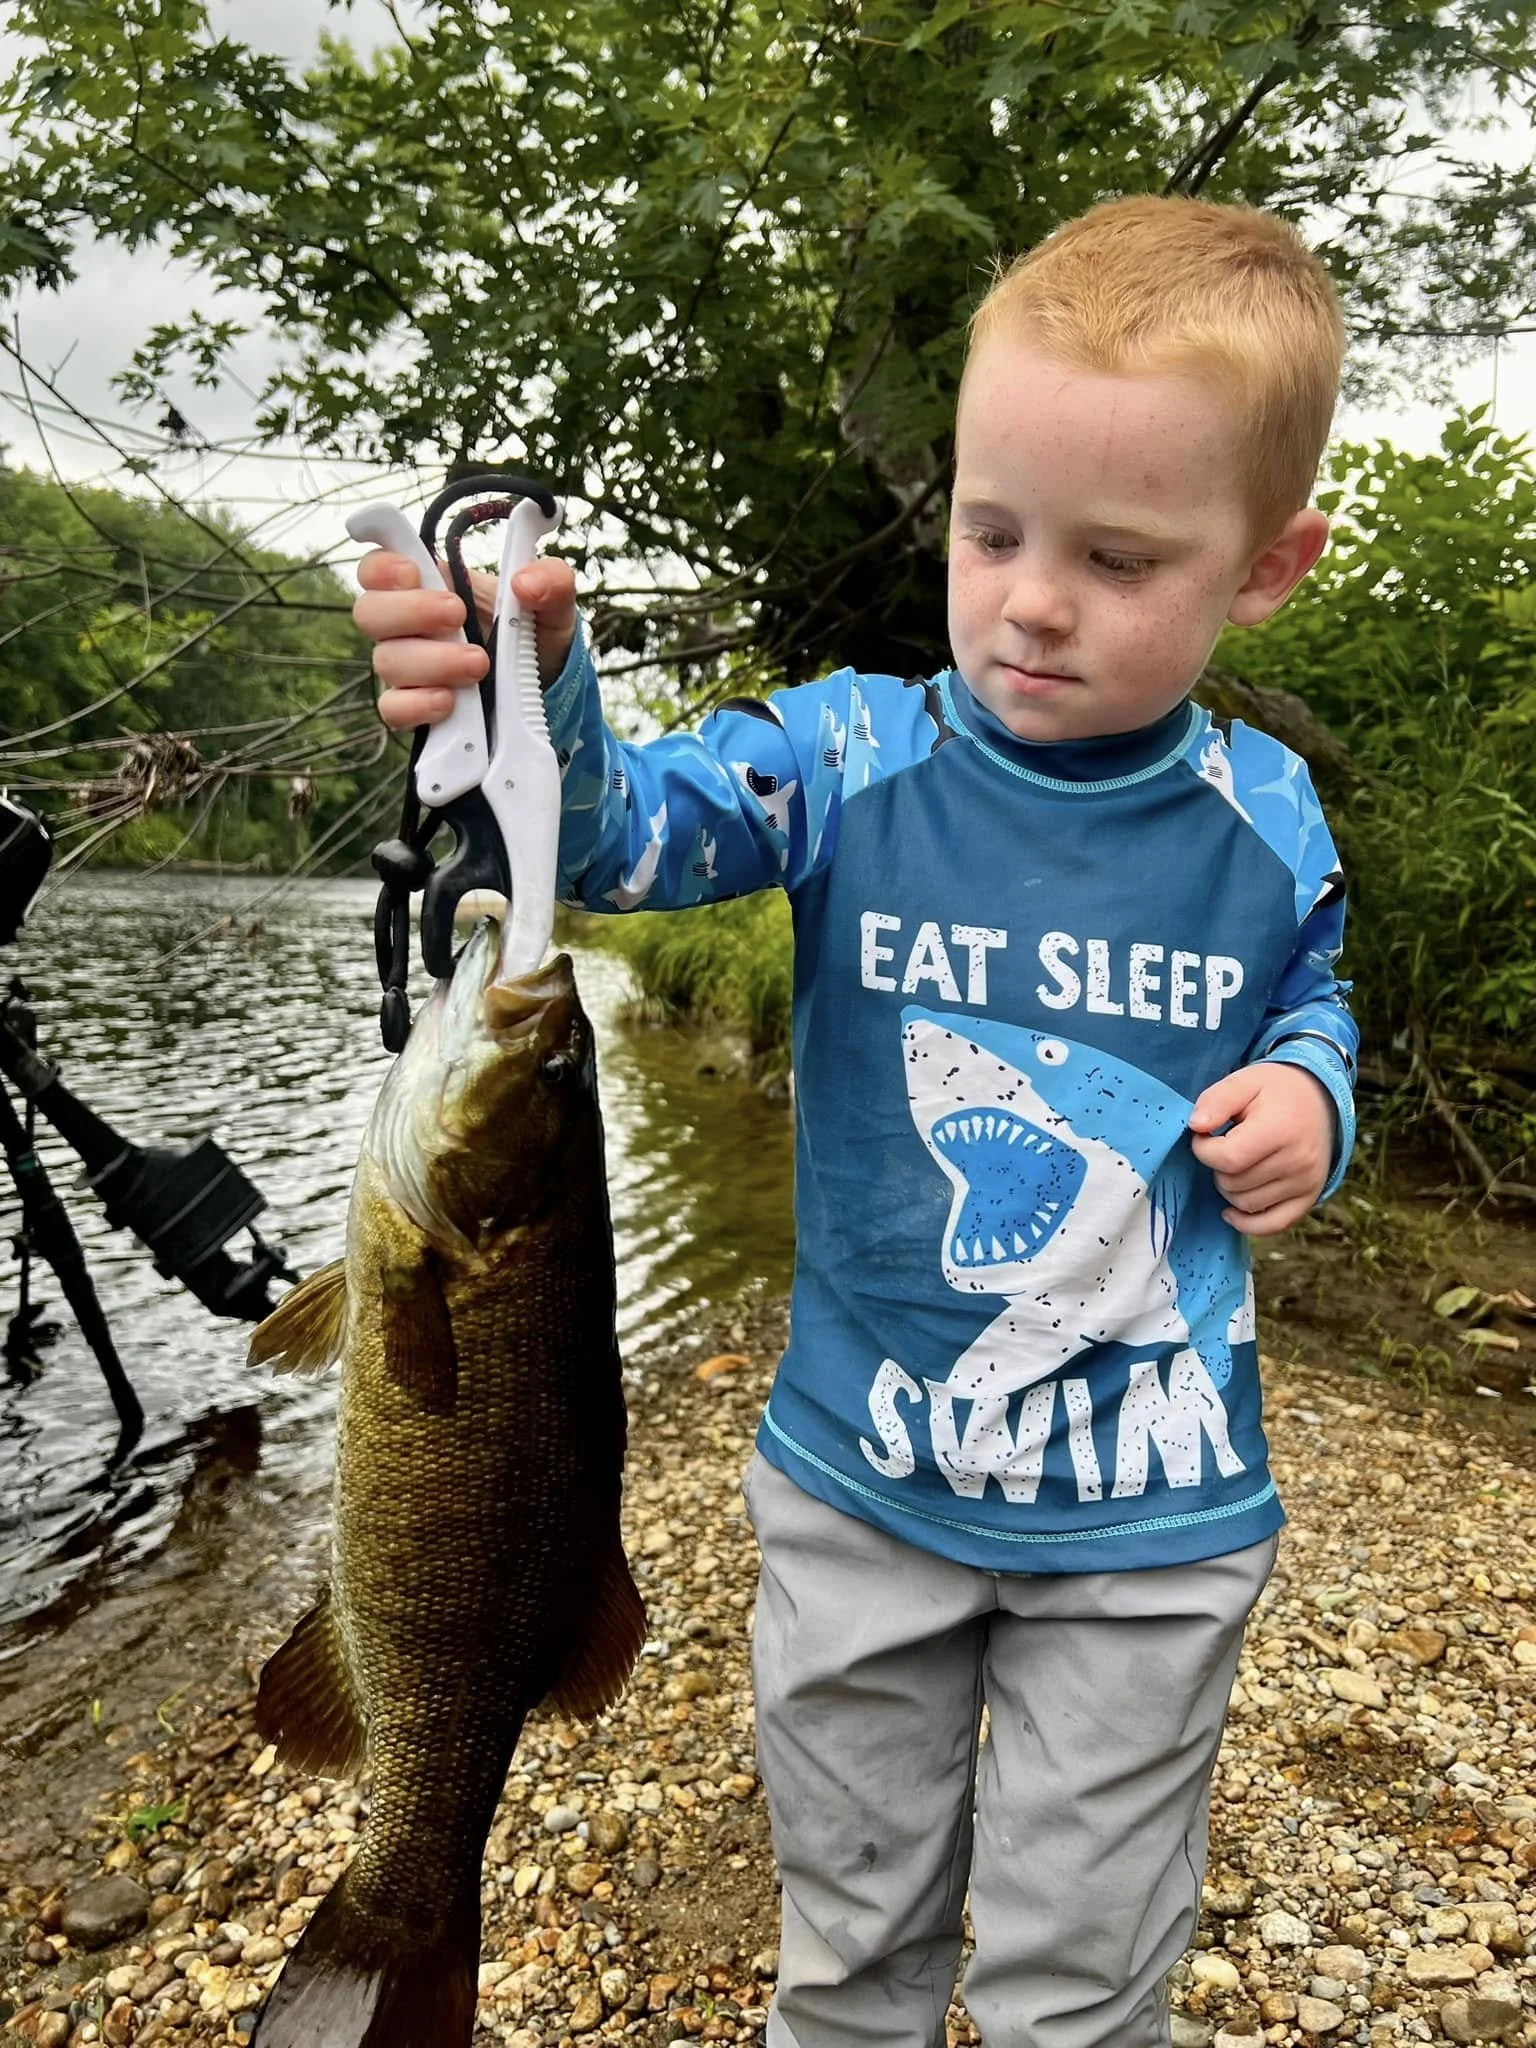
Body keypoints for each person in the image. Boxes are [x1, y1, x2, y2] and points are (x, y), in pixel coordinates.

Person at [355, 195, 1359, 2048]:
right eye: (992, 534)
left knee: (1084, 1982)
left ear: (1267, 565)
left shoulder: (1270, 814)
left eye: (1120, 559)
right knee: (850, 1951)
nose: (1034, 599)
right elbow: (624, 835)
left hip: (1152, 1523)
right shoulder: (845, 758)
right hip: (858, 1501)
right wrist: (521, 681)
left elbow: (1311, 991)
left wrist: (1310, 1091)